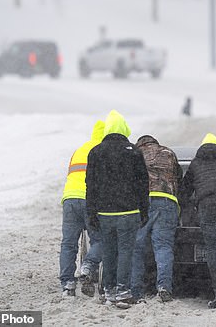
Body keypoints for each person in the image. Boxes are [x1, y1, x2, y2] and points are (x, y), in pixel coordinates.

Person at [86, 110, 149, 305]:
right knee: (125, 252)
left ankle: (108, 290)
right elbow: (142, 184)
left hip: (104, 213)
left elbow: (91, 185)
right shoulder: (134, 152)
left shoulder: (95, 152)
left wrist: (92, 213)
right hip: (129, 212)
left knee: (109, 252)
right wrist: (144, 210)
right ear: (124, 128)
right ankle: (123, 291)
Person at [180, 133, 216, 309]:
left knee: (213, 247)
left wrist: (185, 206)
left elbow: (186, 190)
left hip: (207, 205)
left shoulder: (196, 162)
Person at [130, 135, 182, 303]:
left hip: (143, 201)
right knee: (163, 247)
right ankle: (164, 287)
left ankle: (135, 290)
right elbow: (179, 178)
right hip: (167, 200)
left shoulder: (136, 154)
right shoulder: (168, 152)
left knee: (136, 247)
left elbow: (130, 179)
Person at [59, 119, 105, 298]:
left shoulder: (79, 150)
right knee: (100, 240)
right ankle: (88, 266)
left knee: (69, 243)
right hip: (90, 200)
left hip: (70, 198)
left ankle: (67, 284)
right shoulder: (101, 151)